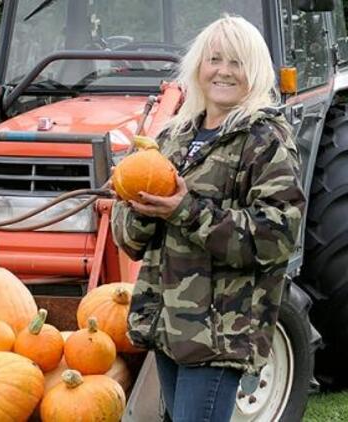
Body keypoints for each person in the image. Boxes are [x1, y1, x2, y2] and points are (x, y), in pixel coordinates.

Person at [111, 15, 305, 422]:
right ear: (199, 66)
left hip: (220, 333)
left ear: (254, 71)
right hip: (168, 326)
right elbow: (127, 236)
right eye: (215, 59)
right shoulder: (173, 136)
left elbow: (276, 237)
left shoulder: (265, 139)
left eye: (236, 62)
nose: (223, 71)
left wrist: (186, 209)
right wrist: (142, 210)